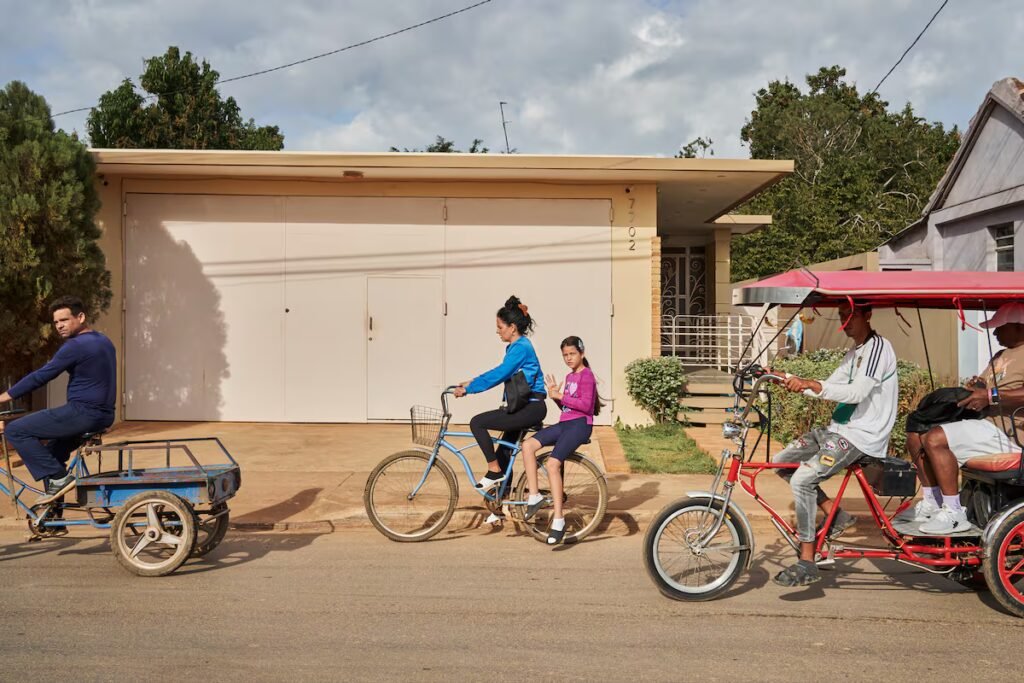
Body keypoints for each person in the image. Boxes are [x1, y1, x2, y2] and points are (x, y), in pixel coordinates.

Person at [771, 301, 898, 587]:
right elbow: (827, 385)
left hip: (861, 437)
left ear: (868, 314)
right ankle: (836, 514)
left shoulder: (879, 348)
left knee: (802, 480)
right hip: (839, 430)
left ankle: (807, 560)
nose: (845, 322)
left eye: (850, 315)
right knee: (782, 463)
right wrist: (791, 380)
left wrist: (813, 385)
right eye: (841, 316)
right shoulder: (855, 353)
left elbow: (857, 392)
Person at [911, 302, 1024, 535]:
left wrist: (990, 395)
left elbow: (1000, 395)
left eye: (999, 327)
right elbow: (987, 385)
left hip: (1010, 435)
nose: (994, 333)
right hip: (988, 428)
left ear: (1019, 327)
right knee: (917, 433)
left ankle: (954, 514)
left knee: (935, 439)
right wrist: (977, 387)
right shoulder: (1001, 355)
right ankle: (933, 503)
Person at [0, 296, 117, 499]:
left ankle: (60, 479)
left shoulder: (76, 346)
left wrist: (4, 397)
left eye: (64, 320)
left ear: (80, 317)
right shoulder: (103, 340)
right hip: (103, 415)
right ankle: (53, 516)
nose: (59, 326)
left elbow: (41, 376)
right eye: (56, 322)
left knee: (16, 430)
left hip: (84, 412)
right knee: (51, 457)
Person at [453, 295, 547, 497]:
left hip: (531, 408)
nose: (497, 331)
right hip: (524, 407)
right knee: (503, 452)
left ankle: (494, 471)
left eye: (500, 326)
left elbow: (501, 373)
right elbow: (500, 371)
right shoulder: (517, 346)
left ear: (512, 327)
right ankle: (499, 505)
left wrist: (470, 389)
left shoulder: (521, 347)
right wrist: (472, 381)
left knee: (477, 423)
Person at [520, 336, 602, 545]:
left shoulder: (587, 376)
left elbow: (585, 406)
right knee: (527, 445)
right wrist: (556, 396)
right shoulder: (570, 376)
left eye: (572, 354)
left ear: (581, 353)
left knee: (553, 464)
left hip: (580, 425)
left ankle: (558, 520)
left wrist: (559, 395)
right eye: (565, 355)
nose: (568, 358)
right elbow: (567, 408)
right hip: (566, 423)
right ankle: (535, 496)